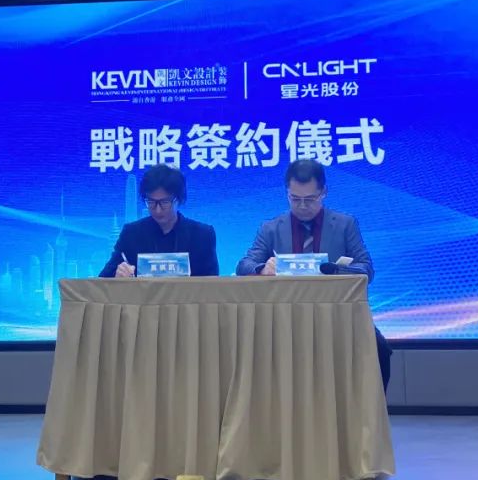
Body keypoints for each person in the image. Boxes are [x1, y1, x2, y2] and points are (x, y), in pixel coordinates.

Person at [236, 158, 392, 391]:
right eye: (295, 199)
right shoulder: (271, 228)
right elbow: (243, 265)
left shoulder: (345, 225)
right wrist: (262, 269)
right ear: (287, 193)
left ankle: (367, 410)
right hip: (285, 319)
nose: (302, 206)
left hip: (338, 317)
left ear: (324, 192)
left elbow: (367, 269)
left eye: (310, 199)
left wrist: (338, 270)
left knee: (379, 350)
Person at [99, 164, 219, 278]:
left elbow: (213, 284)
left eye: (164, 202)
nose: (158, 210)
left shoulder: (202, 235)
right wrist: (117, 275)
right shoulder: (131, 233)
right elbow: (102, 281)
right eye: (151, 202)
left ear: (178, 199)